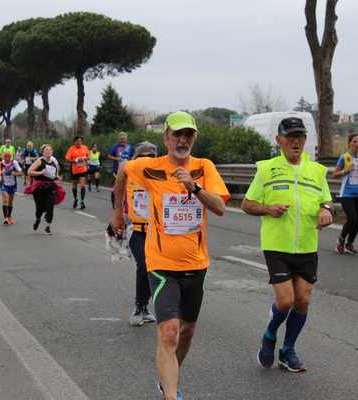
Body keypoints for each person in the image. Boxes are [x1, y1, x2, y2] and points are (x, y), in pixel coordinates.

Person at [111, 111, 229, 400]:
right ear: (166, 137)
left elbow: (220, 207)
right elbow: (124, 170)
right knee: (169, 332)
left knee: (186, 332)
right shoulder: (150, 167)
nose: (182, 139)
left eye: (188, 134)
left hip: (196, 262)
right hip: (161, 263)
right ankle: (171, 394)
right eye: (177, 134)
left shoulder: (204, 167)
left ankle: (169, 375)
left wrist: (193, 186)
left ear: (194, 139)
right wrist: (117, 213)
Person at [241, 117, 333, 373]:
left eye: (300, 137)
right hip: (277, 245)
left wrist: (326, 210)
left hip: (306, 244)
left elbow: (326, 201)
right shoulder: (267, 169)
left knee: (302, 300)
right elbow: (247, 204)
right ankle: (269, 335)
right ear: (278, 140)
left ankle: (288, 350)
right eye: (290, 137)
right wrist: (268, 208)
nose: (296, 141)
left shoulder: (316, 171)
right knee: (285, 301)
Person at [126, 141, 158, 326]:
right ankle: (139, 306)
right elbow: (118, 195)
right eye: (142, 156)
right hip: (136, 231)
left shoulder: (162, 176)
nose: (146, 160)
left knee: (156, 269)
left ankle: (146, 308)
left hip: (157, 231)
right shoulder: (129, 174)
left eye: (151, 157)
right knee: (145, 265)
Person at [332, 133, 358, 254]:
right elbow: (334, 174)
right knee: (352, 219)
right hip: (347, 194)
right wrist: (346, 170)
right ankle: (341, 240)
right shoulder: (344, 157)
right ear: (349, 143)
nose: (356, 144)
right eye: (354, 141)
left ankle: (349, 244)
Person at [26, 144, 64, 235]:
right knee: (40, 208)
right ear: (42, 152)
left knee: (50, 206)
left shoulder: (54, 162)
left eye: (50, 150)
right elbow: (29, 172)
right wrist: (40, 172)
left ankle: (48, 226)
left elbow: (56, 174)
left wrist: (58, 177)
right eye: (46, 150)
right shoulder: (39, 161)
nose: (48, 151)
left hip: (51, 186)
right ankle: (38, 218)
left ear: (52, 152)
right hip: (40, 187)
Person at [108, 132, 134, 208]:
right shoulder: (115, 147)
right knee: (116, 187)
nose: (123, 140)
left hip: (127, 170)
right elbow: (109, 156)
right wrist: (117, 158)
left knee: (127, 187)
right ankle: (114, 203)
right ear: (119, 140)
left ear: (126, 139)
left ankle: (126, 204)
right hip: (117, 170)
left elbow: (133, 155)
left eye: (124, 139)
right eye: (121, 139)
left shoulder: (130, 147)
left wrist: (131, 160)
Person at [64, 136, 89, 209]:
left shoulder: (85, 147)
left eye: (80, 141)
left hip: (83, 170)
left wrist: (86, 159)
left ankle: (82, 201)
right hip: (74, 170)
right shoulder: (71, 149)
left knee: (83, 185)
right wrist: (75, 160)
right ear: (74, 142)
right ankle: (75, 199)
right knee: (74, 186)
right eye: (77, 141)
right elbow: (67, 159)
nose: (79, 142)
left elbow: (88, 156)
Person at [0, 151, 23, 225]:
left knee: (10, 201)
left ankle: (9, 216)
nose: (7, 158)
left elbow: (21, 173)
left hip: (12, 185)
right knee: (5, 199)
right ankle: (5, 218)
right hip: (4, 184)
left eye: (8, 157)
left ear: (11, 157)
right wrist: (0, 173)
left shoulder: (14, 163)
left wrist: (15, 173)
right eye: (5, 157)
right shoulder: (1, 163)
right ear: (3, 157)